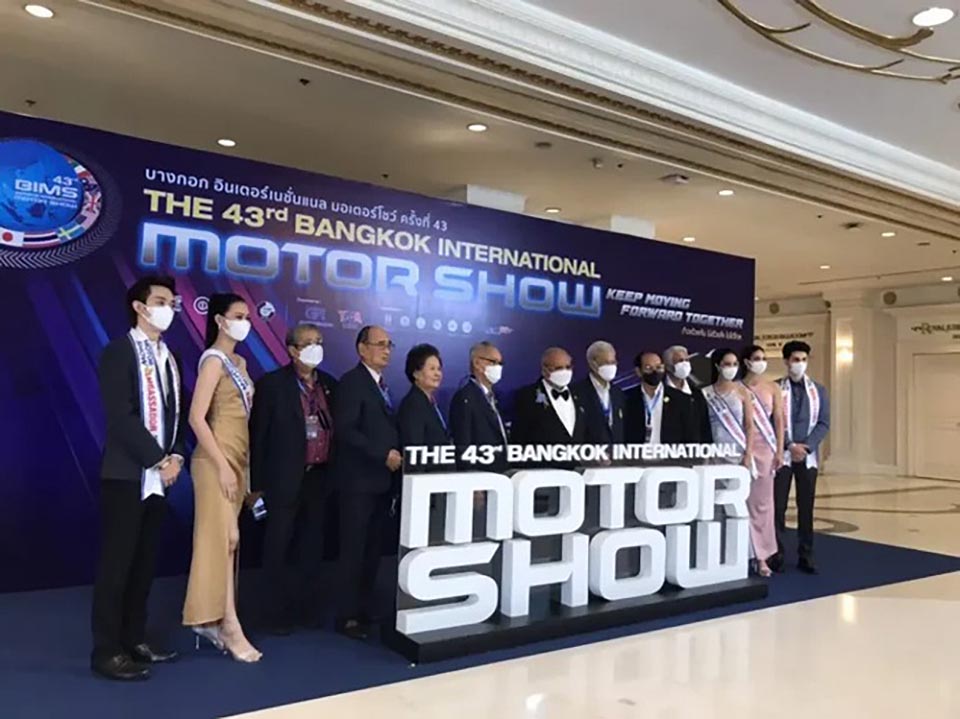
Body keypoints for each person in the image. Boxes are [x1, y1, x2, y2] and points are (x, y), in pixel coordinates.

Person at [91, 275, 185, 681]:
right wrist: (159, 459)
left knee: (144, 564)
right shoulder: (119, 352)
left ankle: (134, 639)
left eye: (172, 302)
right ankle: (106, 651)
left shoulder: (169, 356)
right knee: (117, 565)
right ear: (139, 307)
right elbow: (121, 417)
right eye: (161, 301)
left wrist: (176, 454)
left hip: (160, 478)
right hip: (127, 475)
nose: (169, 308)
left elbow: (176, 413)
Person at [182, 293, 261, 662]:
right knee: (224, 538)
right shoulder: (213, 361)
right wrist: (223, 465)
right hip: (215, 460)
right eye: (238, 315)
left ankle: (215, 618)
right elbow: (196, 418)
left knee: (230, 541)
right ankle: (227, 622)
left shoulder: (240, 362)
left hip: (238, 459)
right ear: (219, 320)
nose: (245, 322)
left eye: (247, 316)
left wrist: (242, 469)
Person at [249, 323, 337, 635]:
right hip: (282, 478)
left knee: (311, 548)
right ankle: (274, 614)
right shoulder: (272, 385)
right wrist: (255, 486)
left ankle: (307, 610)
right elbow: (258, 437)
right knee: (278, 546)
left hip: (319, 478)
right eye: (308, 342)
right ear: (292, 350)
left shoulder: (330, 384)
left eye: (319, 341)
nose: (316, 347)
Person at [332, 325, 401, 640]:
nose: (386, 350)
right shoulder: (352, 382)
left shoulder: (382, 385)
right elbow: (346, 430)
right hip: (357, 483)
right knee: (354, 550)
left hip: (380, 484)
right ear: (362, 348)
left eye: (389, 345)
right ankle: (346, 615)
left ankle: (363, 607)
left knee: (372, 550)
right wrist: (382, 454)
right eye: (379, 344)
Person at [773, 340, 830, 574]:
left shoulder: (818, 390)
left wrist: (806, 447)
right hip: (782, 455)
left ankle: (806, 554)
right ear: (786, 362)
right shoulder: (775, 388)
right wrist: (789, 445)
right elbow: (770, 422)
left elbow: (824, 423)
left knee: (806, 507)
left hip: (807, 456)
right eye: (796, 360)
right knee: (778, 506)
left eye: (804, 360)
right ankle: (776, 553)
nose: (800, 364)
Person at [740, 345, 785, 577]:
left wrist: (779, 451)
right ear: (747, 362)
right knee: (741, 503)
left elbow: (779, 421)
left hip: (766, 450)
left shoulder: (773, 387)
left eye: (763, 358)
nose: (761, 361)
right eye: (757, 358)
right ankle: (743, 553)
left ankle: (762, 556)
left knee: (763, 505)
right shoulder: (737, 387)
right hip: (743, 449)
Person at [511, 346, 587, 456]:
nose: (565, 371)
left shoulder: (580, 394)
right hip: (543, 464)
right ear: (544, 370)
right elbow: (519, 439)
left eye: (568, 367)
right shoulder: (527, 397)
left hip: (578, 463)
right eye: (559, 368)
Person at [449, 341, 509, 472]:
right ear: (477, 363)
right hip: (480, 474)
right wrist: (470, 476)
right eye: (493, 362)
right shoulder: (465, 398)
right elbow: (463, 444)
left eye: (500, 363)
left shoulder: (496, 396)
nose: (498, 367)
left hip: (501, 472)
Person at [398, 343, 453, 471]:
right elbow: (414, 452)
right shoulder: (413, 405)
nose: (437, 374)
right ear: (416, 373)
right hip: (424, 478)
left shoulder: (430, 403)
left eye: (439, 369)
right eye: (432, 369)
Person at [702, 348, 755, 476]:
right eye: (727, 364)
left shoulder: (743, 392)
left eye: (735, 364)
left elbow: (749, 425)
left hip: (738, 452)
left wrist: (748, 453)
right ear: (717, 366)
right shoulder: (705, 393)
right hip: (714, 453)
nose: (732, 367)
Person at [574, 340, 626, 447]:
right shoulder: (576, 393)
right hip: (588, 455)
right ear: (592, 364)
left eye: (613, 362)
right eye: (606, 363)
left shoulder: (618, 393)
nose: (611, 367)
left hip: (616, 455)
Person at [662, 345, 713, 444]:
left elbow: (704, 426)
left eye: (687, 360)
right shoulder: (659, 391)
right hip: (667, 449)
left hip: (693, 449)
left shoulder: (696, 393)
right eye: (680, 361)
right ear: (668, 366)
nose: (685, 364)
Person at [624, 351, 667, 445]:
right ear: (638, 371)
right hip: (635, 452)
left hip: (671, 453)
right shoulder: (626, 398)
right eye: (648, 368)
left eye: (658, 367)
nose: (654, 371)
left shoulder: (680, 399)